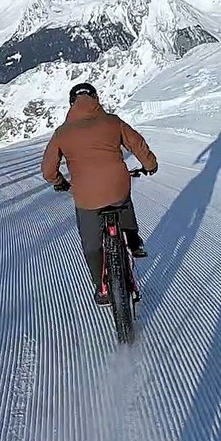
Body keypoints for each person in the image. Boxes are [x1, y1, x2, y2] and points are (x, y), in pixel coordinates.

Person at [41, 82, 158, 305]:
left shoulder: (62, 133)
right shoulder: (113, 122)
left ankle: (102, 287)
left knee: (92, 244)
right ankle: (133, 240)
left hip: (86, 197)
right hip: (117, 187)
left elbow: (48, 171)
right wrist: (150, 164)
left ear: (71, 104)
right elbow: (137, 144)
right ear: (96, 99)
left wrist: (60, 182)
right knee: (122, 197)